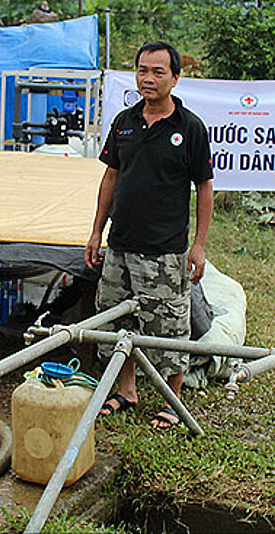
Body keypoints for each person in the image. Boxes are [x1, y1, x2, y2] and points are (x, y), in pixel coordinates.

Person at [84, 41, 213, 429]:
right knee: (115, 321)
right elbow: (110, 176)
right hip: (120, 245)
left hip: (164, 251)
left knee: (170, 327)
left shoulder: (189, 129)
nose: (149, 78)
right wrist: (96, 232)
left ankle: (171, 400)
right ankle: (127, 390)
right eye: (143, 70)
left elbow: (204, 188)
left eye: (158, 72)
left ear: (175, 78)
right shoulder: (124, 122)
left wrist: (199, 246)